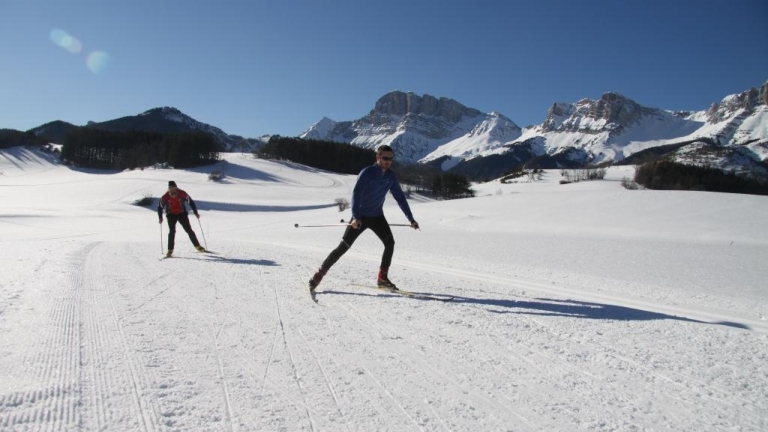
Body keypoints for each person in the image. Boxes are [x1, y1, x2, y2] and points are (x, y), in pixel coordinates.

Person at [309, 145, 419, 292]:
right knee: (343, 247)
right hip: (360, 217)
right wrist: (355, 217)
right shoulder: (367, 173)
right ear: (378, 157)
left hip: (377, 216)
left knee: (389, 243)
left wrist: (410, 219)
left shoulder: (390, 176)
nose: (388, 161)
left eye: (391, 159)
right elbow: (356, 194)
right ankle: (319, 274)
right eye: (385, 158)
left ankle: (382, 278)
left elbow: (400, 198)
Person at [157, 181, 205, 257]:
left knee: (189, 230)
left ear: (176, 187)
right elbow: (160, 207)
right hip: (171, 214)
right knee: (172, 232)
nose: (173, 190)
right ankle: (170, 250)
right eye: (171, 188)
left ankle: (197, 246)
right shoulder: (165, 197)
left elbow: (191, 202)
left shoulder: (182, 193)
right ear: (168, 189)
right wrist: (160, 217)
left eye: (174, 188)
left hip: (182, 214)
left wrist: (195, 212)